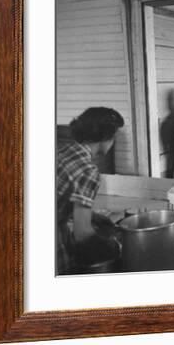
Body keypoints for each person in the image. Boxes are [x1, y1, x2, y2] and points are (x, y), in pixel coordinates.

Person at [56, 107, 124, 275]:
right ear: (105, 137)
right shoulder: (88, 170)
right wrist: (115, 246)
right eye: (113, 136)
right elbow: (83, 234)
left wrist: (94, 216)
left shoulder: (63, 152)